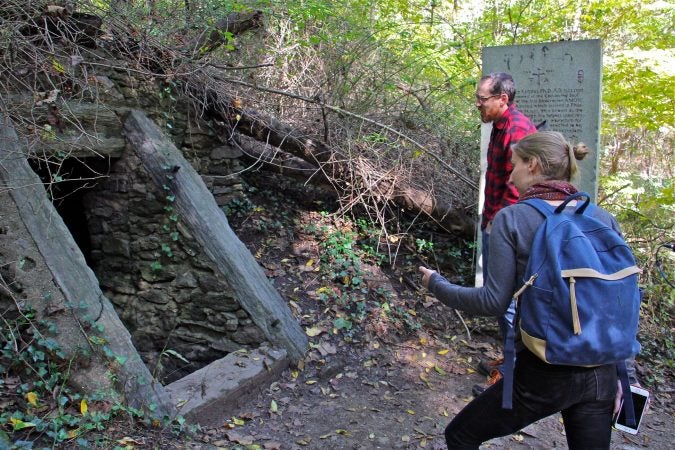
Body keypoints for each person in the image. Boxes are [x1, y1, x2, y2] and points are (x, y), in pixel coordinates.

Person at [419, 131, 631, 449]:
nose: (511, 174)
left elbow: (492, 301)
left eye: (515, 164)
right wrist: (624, 376)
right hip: (602, 371)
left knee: (460, 435)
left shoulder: (514, 218)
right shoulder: (602, 217)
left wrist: (437, 284)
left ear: (532, 165)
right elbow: (617, 301)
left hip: (546, 370)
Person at [474, 72, 537, 392]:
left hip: (508, 230)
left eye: (482, 99)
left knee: (506, 301)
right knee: (503, 301)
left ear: (503, 99)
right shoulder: (499, 127)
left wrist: (497, 224)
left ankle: (513, 375)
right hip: (496, 223)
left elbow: (518, 187)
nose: (478, 104)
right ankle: (510, 360)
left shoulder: (518, 129)